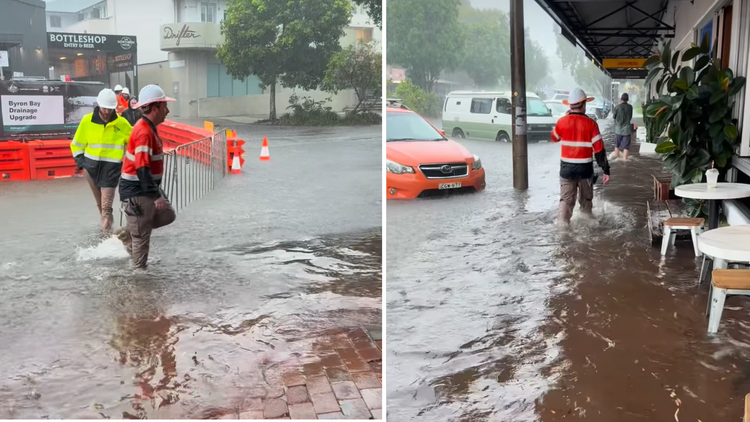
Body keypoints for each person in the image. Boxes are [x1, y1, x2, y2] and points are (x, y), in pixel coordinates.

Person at [115, 85, 177, 268]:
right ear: (155, 107)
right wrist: (155, 195)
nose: (168, 110)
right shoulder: (143, 132)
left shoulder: (149, 128)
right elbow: (142, 169)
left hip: (143, 188)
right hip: (138, 191)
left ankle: (130, 232)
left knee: (167, 214)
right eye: (165, 106)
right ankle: (140, 283)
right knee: (142, 241)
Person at [70, 88, 133, 232]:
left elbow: (134, 141)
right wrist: (81, 163)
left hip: (111, 170)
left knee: (106, 206)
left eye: (110, 109)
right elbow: (76, 144)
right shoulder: (87, 121)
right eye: (104, 108)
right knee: (100, 205)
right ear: (99, 105)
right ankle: (106, 230)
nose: (107, 112)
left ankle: (105, 235)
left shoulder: (121, 123)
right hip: (90, 168)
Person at [551, 88, 611, 223]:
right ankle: (587, 228)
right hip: (585, 170)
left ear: (570, 105)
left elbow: (554, 138)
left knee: (566, 202)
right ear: (584, 104)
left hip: (566, 170)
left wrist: (565, 119)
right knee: (586, 202)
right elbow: (599, 150)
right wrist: (606, 170)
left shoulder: (562, 122)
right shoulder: (591, 124)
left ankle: (562, 230)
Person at [611, 93, 634, 160]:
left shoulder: (617, 107)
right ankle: (625, 161)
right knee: (626, 147)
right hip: (627, 130)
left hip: (618, 129)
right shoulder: (630, 107)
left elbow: (614, 117)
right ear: (628, 99)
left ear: (621, 99)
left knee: (617, 145)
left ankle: (616, 158)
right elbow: (630, 117)